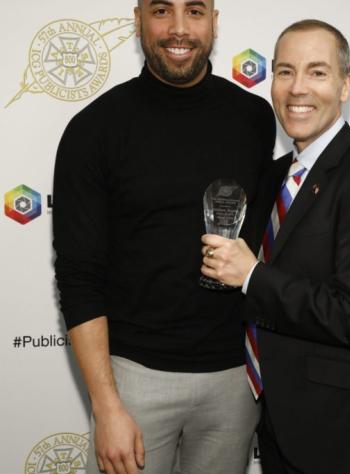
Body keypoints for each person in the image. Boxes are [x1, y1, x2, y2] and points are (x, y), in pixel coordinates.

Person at [52, 0, 275, 473]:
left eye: (194, 11)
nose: (178, 28)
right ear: (137, 20)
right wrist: (107, 405)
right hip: (134, 380)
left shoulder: (254, 118)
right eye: (161, 11)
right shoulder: (93, 129)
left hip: (233, 381)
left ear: (214, 21)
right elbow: (77, 276)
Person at [201, 19, 350, 474]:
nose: (298, 89)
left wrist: (252, 275)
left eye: (317, 72)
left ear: (345, 84)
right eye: (285, 72)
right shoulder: (274, 175)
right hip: (275, 419)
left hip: (338, 431)